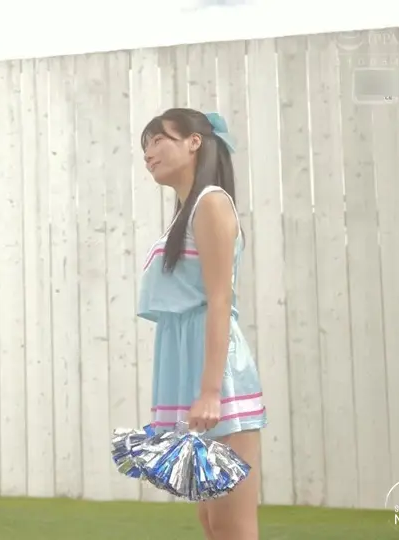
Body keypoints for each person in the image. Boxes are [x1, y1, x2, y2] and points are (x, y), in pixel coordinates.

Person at [136, 108, 266, 540]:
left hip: (218, 376)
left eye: (159, 140)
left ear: (194, 142)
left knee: (232, 525)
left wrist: (211, 391)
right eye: (145, 146)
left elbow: (219, 300)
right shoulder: (186, 212)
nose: (149, 153)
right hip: (189, 369)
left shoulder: (211, 202)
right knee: (211, 521)